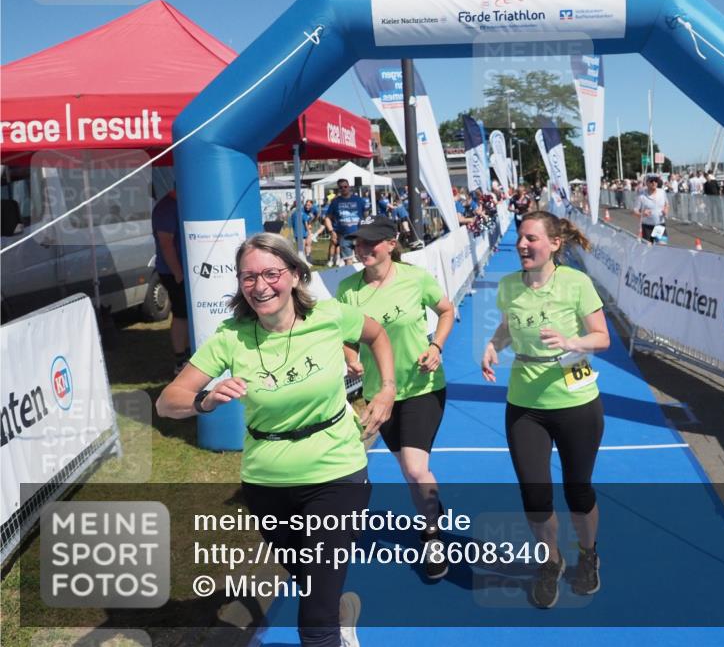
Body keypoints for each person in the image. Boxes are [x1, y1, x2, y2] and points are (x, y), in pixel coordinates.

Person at [157, 232, 396, 647]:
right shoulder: (231, 337)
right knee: (310, 580)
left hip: (336, 471)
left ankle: (330, 624)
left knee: (313, 621)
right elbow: (166, 402)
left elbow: (376, 335)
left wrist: (387, 388)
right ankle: (341, 613)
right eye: (248, 277)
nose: (260, 285)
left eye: (271, 273)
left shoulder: (329, 315)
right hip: (266, 482)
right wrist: (206, 400)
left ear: (295, 274)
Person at [480, 211, 611, 609]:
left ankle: (588, 555)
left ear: (554, 244)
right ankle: (551, 561)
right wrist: (492, 344)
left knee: (578, 489)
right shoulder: (507, 285)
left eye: (531, 238)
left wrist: (573, 341)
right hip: (524, 405)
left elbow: (602, 337)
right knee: (535, 493)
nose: (523, 244)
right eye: (520, 238)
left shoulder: (576, 283)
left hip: (576, 401)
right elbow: (507, 324)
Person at [336, 216, 455, 579]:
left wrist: (436, 345)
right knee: (408, 471)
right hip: (379, 394)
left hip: (422, 386)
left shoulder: (415, 278)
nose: (361, 249)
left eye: (370, 242)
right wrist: (351, 357)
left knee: (417, 468)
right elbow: (344, 334)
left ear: (390, 244)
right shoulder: (347, 289)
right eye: (357, 243)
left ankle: (433, 535)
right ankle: (432, 510)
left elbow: (447, 310)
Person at [151, 188, 189, 375]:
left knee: (188, 315)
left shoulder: (180, 203)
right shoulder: (166, 208)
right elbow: (166, 243)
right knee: (181, 314)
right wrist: (178, 273)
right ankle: (180, 359)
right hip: (173, 272)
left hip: (184, 271)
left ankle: (189, 354)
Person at [324, 179, 368, 267]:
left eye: (345, 186)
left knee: (362, 260)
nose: (343, 189)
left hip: (358, 234)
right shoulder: (335, 202)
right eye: (341, 187)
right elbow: (327, 218)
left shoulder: (359, 200)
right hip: (344, 236)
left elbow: (366, 215)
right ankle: (352, 278)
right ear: (339, 189)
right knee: (348, 261)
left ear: (349, 187)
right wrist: (332, 231)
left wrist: (366, 229)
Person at [632, 175, 667, 242]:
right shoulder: (641, 196)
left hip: (659, 225)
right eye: (651, 181)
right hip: (647, 227)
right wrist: (642, 214)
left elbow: (667, 204)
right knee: (649, 249)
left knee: (661, 247)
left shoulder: (662, 192)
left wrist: (666, 210)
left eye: (656, 181)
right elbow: (635, 211)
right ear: (647, 183)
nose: (654, 183)